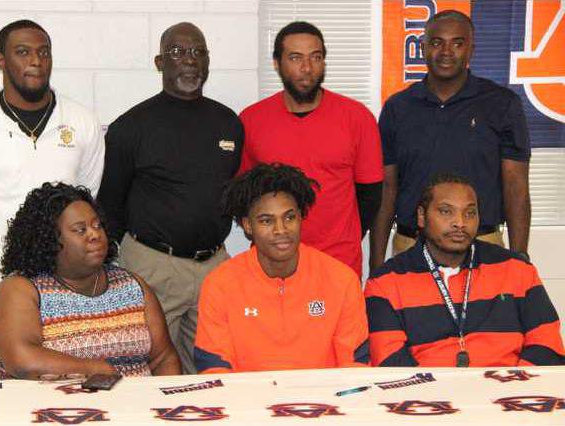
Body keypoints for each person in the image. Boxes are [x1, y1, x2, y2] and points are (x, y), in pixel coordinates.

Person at [0, 20, 104, 414]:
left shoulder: (81, 123)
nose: (36, 61)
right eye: (23, 52)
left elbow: (87, 196)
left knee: (72, 405)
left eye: (43, 51)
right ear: (0, 60)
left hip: (65, 293)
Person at [97, 22, 243, 374]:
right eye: (178, 52)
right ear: (159, 62)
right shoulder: (130, 127)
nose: (189, 60)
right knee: (150, 369)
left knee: (211, 368)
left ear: (207, 61)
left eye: (197, 52)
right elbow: (110, 204)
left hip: (214, 266)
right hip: (153, 267)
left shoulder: (229, 123)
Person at [370, 10, 531, 272]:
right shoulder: (397, 108)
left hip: (483, 246)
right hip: (411, 246)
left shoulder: (502, 104)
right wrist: (376, 265)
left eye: (457, 43)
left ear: (471, 49)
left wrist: (520, 257)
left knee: (485, 316)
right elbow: (387, 188)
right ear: (422, 48)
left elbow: (516, 184)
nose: (446, 51)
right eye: (436, 42)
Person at [0, 182, 181, 380]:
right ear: (48, 239)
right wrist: (99, 370)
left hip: (137, 407)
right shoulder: (21, 289)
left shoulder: (132, 286)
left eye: (97, 226)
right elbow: (23, 361)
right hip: (52, 408)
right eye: (80, 230)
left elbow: (163, 358)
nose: (94, 234)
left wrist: (163, 405)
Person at [365, 173, 564, 367]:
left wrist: (509, 389)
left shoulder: (517, 270)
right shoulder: (385, 282)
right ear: (421, 216)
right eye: (446, 211)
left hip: (509, 393)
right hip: (428, 396)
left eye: (470, 213)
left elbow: (547, 347)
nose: (460, 223)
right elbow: (390, 363)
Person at [238, 21, 383, 277]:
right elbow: (243, 195)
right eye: (295, 58)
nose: (307, 68)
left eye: (315, 57)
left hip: (339, 263)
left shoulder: (357, 117)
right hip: (272, 265)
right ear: (276, 63)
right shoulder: (251, 120)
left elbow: (370, 195)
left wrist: (342, 235)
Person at [194, 163, 369, 373]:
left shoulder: (341, 280)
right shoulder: (220, 284)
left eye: (289, 217)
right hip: (246, 402)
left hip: (324, 403)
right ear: (248, 226)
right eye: (267, 221)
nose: (281, 230)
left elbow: (355, 368)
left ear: (301, 217)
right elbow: (214, 370)